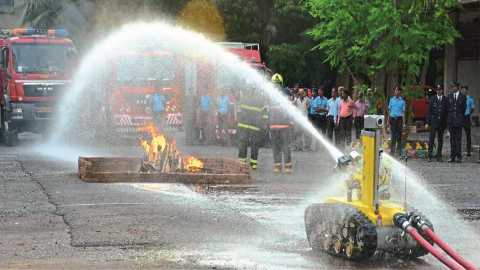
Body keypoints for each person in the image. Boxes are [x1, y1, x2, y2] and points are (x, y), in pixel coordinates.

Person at [237, 80, 268, 170]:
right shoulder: (260, 99)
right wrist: (264, 123)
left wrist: (239, 121)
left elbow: (238, 111)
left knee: (243, 144)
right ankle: (253, 165)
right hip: (255, 126)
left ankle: (241, 164)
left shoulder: (243, 98)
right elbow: (265, 113)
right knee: (254, 145)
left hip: (243, 125)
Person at [270, 74, 293, 173]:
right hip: (279, 125)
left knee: (279, 147)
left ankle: (281, 166)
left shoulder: (270, 92)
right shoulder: (286, 92)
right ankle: (282, 166)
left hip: (279, 125)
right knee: (282, 146)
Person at [446, 82, 467, 163]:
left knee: (458, 139)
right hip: (451, 121)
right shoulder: (449, 96)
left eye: (454, 87)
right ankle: (452, 156)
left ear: (458, 87)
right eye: (452, 87)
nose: (453, 88)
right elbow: (448, 109)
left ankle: (459, 157)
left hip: (458, 121)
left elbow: (464, 109)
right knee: (452, 140)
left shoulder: (462, 96)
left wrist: (459, 118)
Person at [426, 85, 448, 162]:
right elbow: (429, 111)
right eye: (438, 90)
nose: (439, 91)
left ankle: (439, 156)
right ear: (436, 91)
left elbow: (446, 112)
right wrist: (427, 122)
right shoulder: (433, 99)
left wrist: (446, 124)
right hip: (433, 122)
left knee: (440, 140)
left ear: (442, 91)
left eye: (440, 90)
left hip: (441, 123)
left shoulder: (445, 99)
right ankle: (429, 156)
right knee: (431, 139)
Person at [388, 86, 406, 156]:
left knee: (399, 135)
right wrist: (388, 121)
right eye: (395, 90)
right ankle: (392, 151)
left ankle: (399, 150)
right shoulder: (391, 100)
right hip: (392, 119)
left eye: (398, 90)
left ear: (400, 92)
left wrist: (404, 123)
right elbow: (389, 111)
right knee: (393, 135)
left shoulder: (402, 101)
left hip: (399, 119)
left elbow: (403, 113)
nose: (396, 92)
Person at [462, 85, 475, 157]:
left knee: (468, 135)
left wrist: (469, 113)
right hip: (460, 117)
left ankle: (468, 150)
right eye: (462, 90)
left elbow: (473, 108)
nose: (463, 91)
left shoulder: (470, 99)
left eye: (465, 90)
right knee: (458, 134)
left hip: (466, 117)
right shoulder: (460, 98)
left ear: (467, 90)